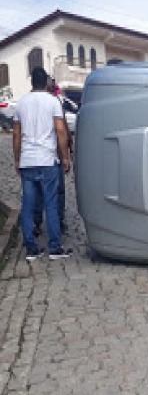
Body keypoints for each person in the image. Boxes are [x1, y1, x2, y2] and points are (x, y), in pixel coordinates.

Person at [13, 66, 72, 261]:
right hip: (47, 159)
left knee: (28, 204)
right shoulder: (52, 101)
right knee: (51, 203)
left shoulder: (21, 104)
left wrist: (16, 159)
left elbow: (16, 135)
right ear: (46, 82)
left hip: (27, 161)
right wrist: (65, 157)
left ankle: (31, 248)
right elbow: (61, 131)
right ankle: (54, 247)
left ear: (32, 82)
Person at [33, 76, 73, 235]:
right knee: (48, 189)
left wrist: (69, 142)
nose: (52, 85)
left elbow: (63, 125)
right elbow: (61, 127)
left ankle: (57, 220)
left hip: (53, 150)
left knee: (54, 190)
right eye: (50, 82)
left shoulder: (55, 101)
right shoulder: (48, 102)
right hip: (50, 152)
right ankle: (41, 221)